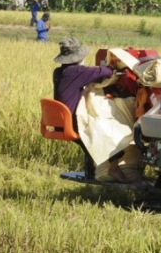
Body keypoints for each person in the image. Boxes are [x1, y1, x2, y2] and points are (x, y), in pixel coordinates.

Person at [53, 38, 131, 183]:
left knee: (90, 139)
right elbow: (106, 72)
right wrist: (115, 69)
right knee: (112, 133)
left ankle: (93, 171)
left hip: (61, 121)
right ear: (79, 57)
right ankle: (113, 168)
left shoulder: (58, 72)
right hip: (72, 121)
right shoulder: (77, 71)